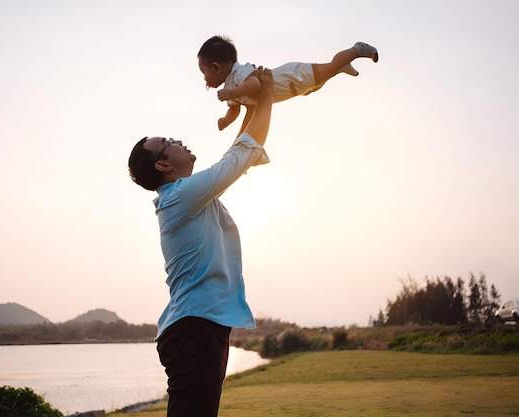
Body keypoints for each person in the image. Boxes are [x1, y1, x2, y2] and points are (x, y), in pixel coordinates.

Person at [127, 66, 274, 417]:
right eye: (168, 144)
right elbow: (238, 158)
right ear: (163, 165)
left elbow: (237, 155)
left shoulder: (188, 196)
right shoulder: (179, 196)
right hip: (194, 328)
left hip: (199, 326)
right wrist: (265, 97)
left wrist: (253, 105)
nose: (177, 140)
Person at [198, 35, 378, 135]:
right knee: (319, 82)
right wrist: (226, 120)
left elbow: (255, 85)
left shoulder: (240, 72)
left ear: (216, 67)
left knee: (328, 69)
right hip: (294, 89)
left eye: (204, 73)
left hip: (292, 76)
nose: (205, 80)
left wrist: (230, 93)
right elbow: (235, 109)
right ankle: (339, 67)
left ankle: (357, 49)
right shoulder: (231, 87)